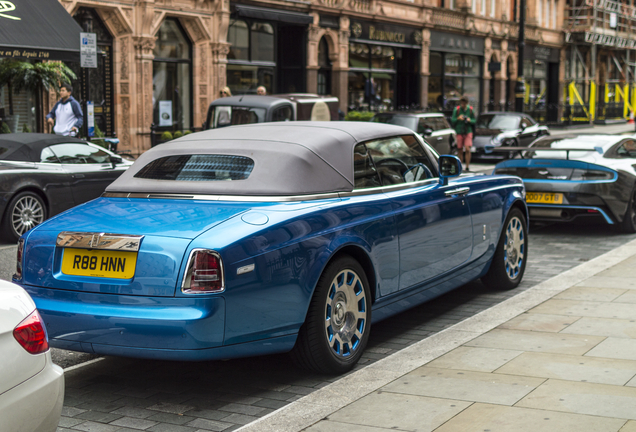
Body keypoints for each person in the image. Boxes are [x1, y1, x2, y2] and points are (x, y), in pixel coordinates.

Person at [450, 96, 476, 172]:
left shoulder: (470, 110)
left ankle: (467, 166)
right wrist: (458, 118)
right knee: (460, 149)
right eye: (462, 103)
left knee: (467, 148)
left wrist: (469, 120)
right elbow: (452, 120)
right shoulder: (457, 109)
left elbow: (474, 121)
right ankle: (460, 165)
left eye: (464, 103)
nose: (463, 104)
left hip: (468, 131)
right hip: (459, 131)